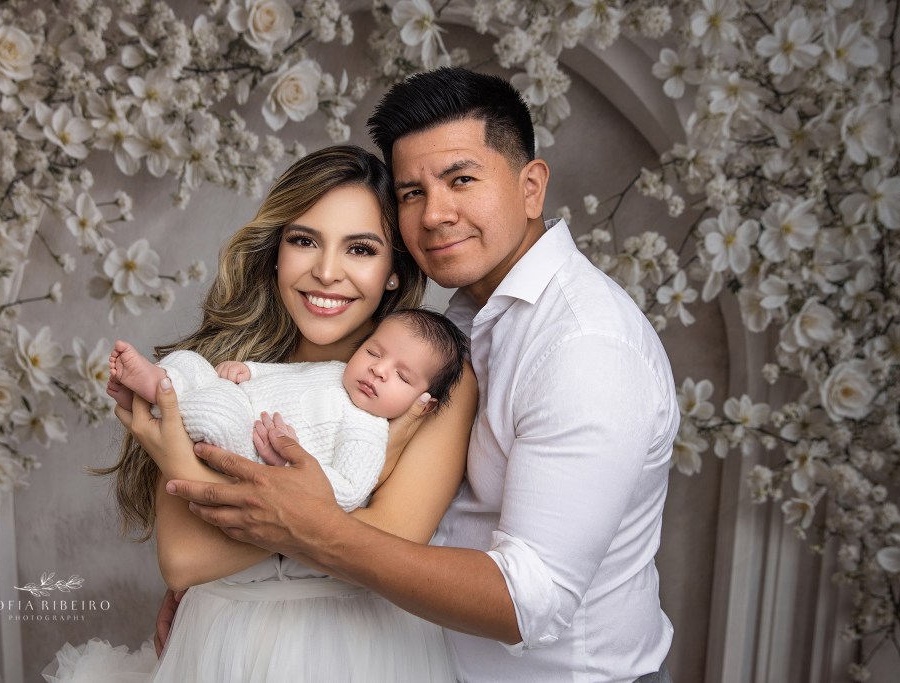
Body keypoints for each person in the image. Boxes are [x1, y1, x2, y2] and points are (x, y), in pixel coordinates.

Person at [161, 68, 678, 682]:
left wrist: (311, 530)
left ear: (531, 186)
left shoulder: (585, 346)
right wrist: (231, 594)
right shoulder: (452, 323)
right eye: (411, 193)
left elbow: (528, 601)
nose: (435, 214)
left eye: (462, 179)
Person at [42, 145, 477, 682]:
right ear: (276, 253)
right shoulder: (224, 378)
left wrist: (174, 451)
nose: (326, 272)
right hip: (222, 648)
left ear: (393, 271)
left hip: (360, 653)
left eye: (360, 249)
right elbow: (184, 560)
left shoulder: (430, 383)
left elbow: (393, 541)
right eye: (303, 241)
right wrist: (327, 525)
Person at [105, 307, 468, 511]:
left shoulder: (368, 429)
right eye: (374, 352)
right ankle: (149, 389)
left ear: (424, 401)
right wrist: (251, 370)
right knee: (191, 363)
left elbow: (348, 491)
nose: (378, 369)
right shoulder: (337, 372)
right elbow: (293, 374)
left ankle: (155, 395)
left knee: (216, 413)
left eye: (402, 376)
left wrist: (290, 465)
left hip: (247, 448)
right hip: (238, 396)